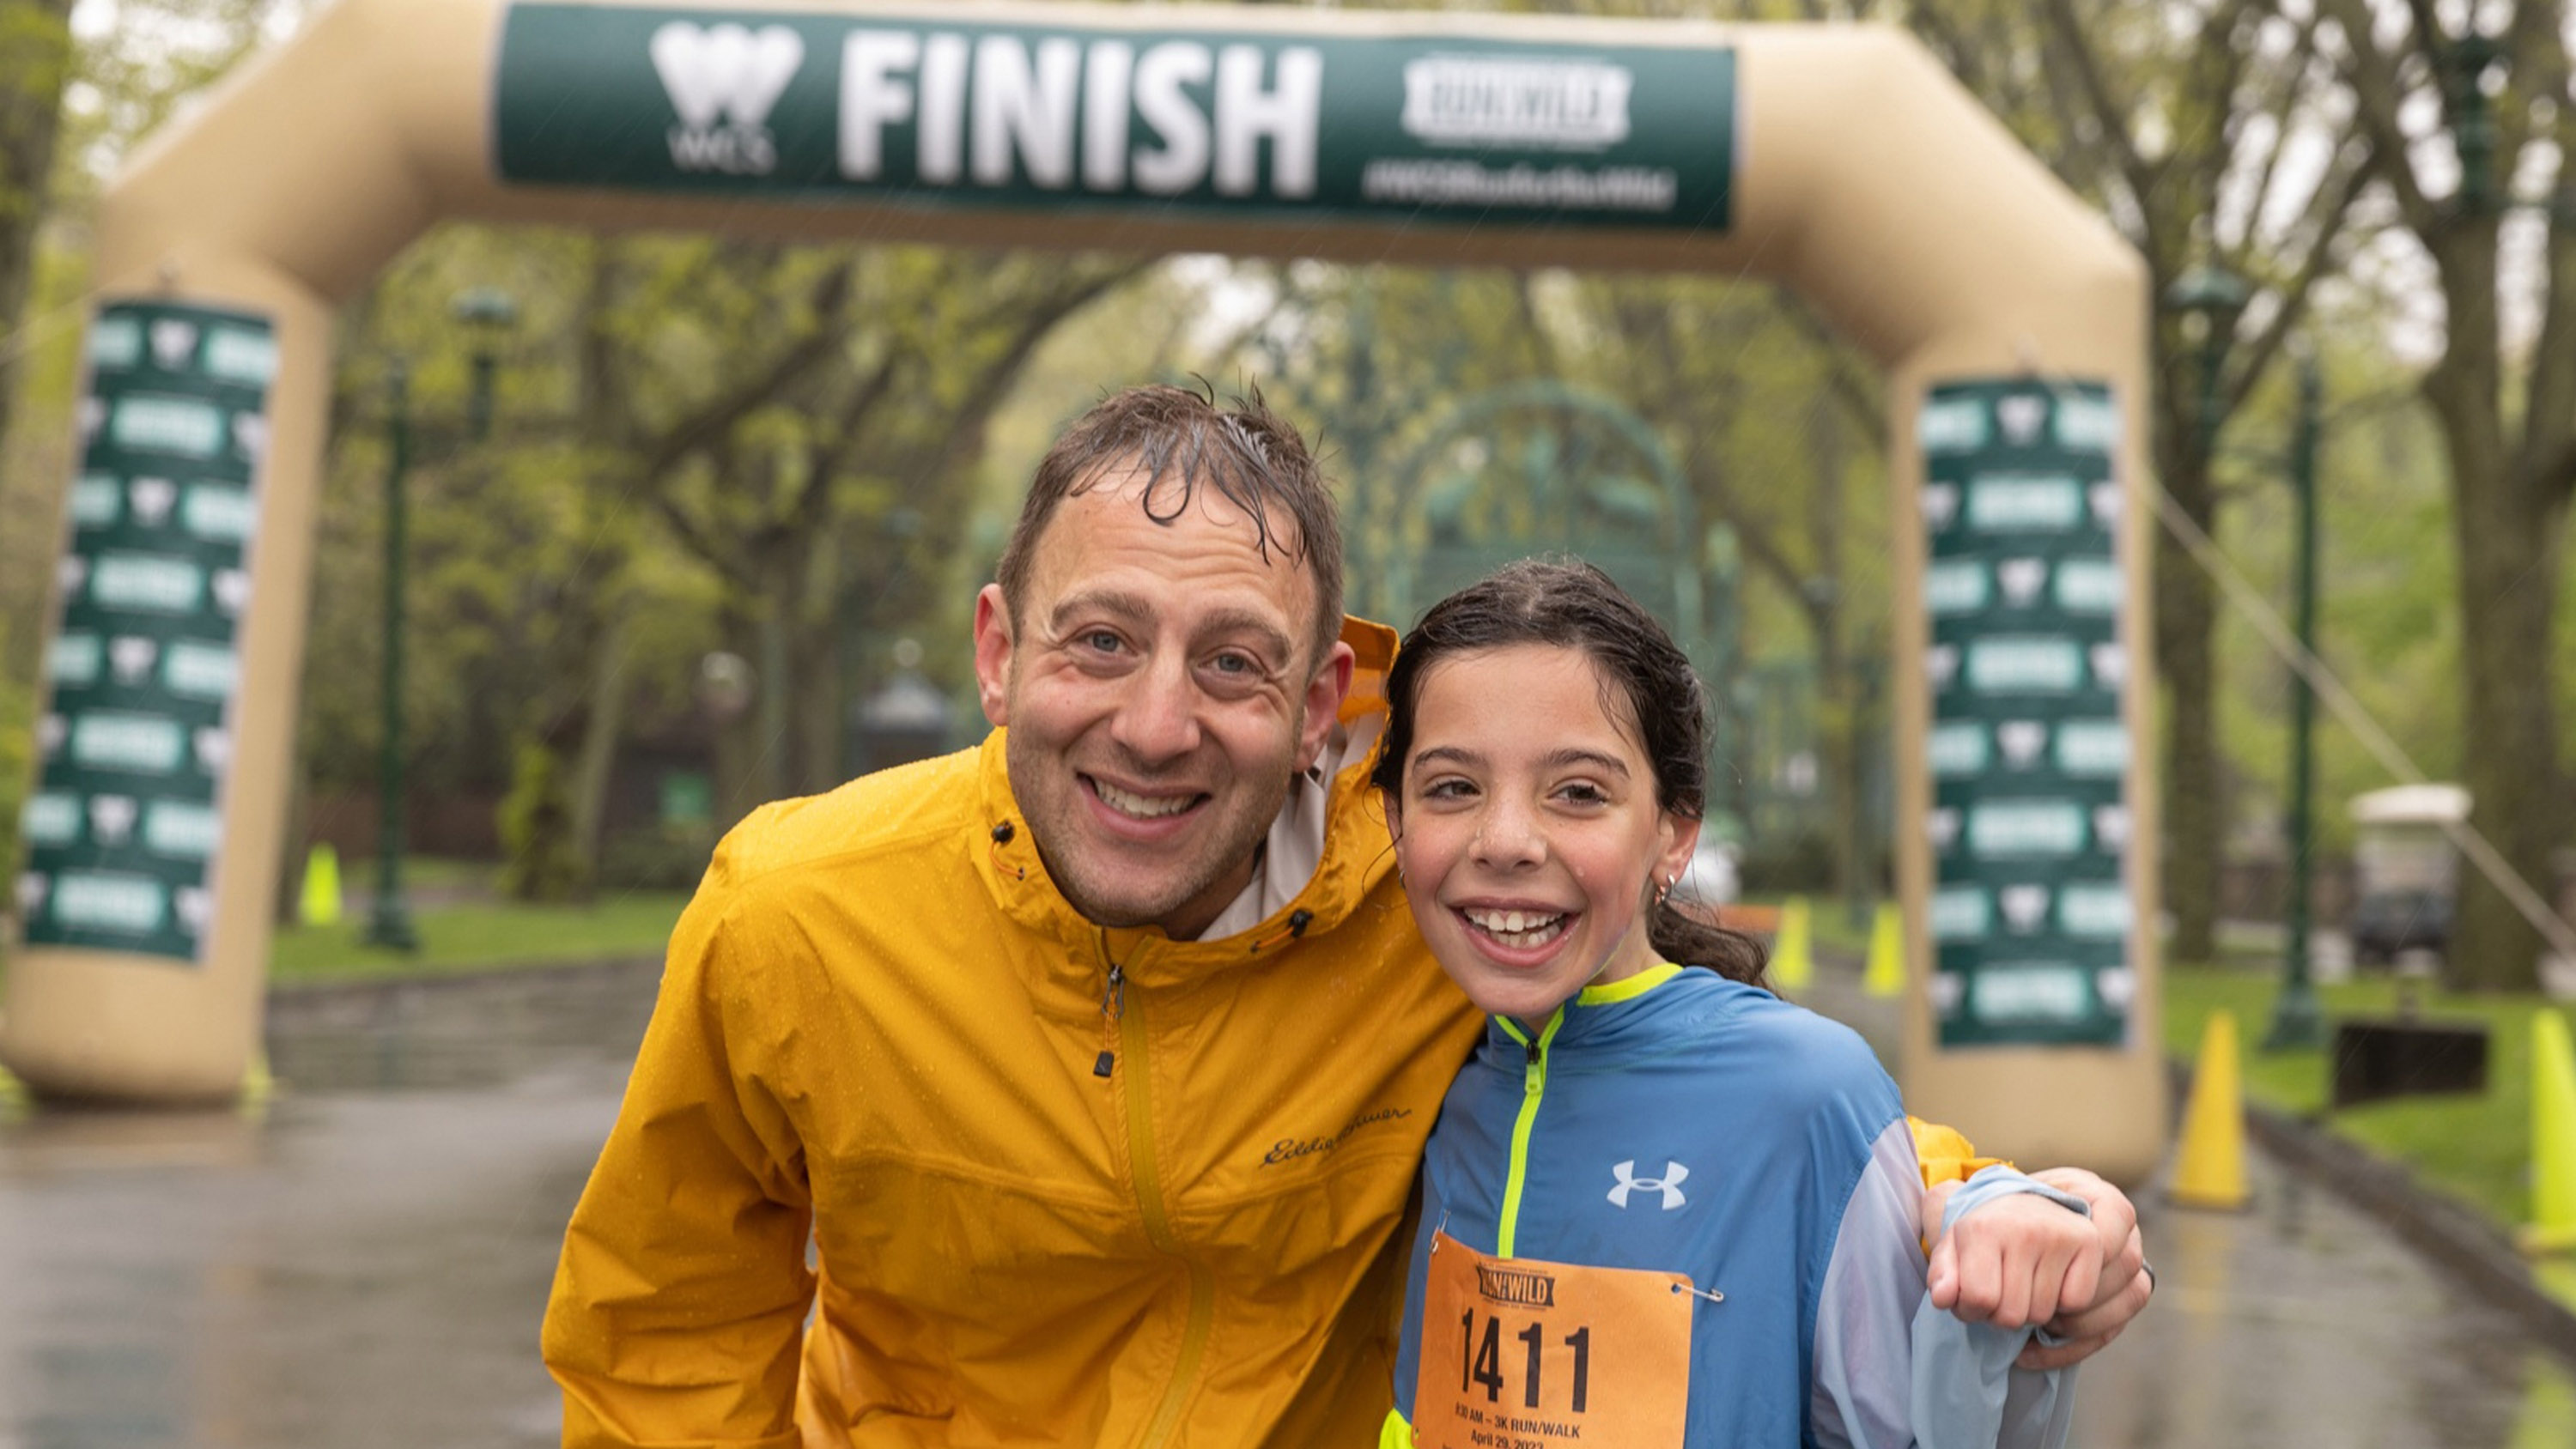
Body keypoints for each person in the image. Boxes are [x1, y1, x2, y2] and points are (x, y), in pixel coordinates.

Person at [540, 385, 2150, 1447]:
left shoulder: (1436, 892)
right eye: (1099, 639)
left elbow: (1710, 1083)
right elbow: (664, 1325)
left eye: (1232, 661)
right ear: (995, 648)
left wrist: (2002, 1201)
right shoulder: (797, 905)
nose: (1158, 723)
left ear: (1323, 701)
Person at [1372, 560, 2089, 1449]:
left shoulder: (1807, 1090)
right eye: (1452, 786)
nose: (1507, 840)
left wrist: (2010, 1208)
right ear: (1395, 820)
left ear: (1675, 831)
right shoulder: (1439, 1066)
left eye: (1579, 792)